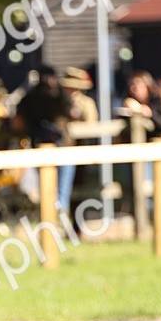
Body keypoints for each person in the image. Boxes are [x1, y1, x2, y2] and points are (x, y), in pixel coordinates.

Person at [56, 68, 98, 213]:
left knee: (68, 181)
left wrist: (76, 119)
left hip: (76, 150)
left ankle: (62, 206)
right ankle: (59, 207)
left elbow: (92, 126)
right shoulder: (57, 100)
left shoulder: (86, 103)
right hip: (56, 148)